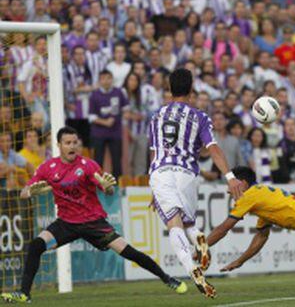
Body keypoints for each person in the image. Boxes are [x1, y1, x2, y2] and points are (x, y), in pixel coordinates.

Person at [0, 127, 187, 304]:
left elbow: (109, 190)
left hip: (93, 223)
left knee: (129, 252)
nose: (72, 146)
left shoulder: (88, 165)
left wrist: (108, 187)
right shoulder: (48, 167)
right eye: (67, 143)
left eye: (75, 142)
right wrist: (31, 191)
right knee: (36, 245)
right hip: (66, 223)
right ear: (59, 145)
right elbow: (24, 192)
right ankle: (24, 293)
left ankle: (167, 278)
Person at [148, 68, 243, 298]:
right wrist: (230, 177)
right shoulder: (199, 116)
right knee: (188, 224)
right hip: (187, 173)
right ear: (191, 89)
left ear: (169, 89)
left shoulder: (156, 116)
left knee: (174, 224)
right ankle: (200, 237)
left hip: (160, 171)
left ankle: (191, 269)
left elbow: (153, 153)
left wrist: (154, 188)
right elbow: (213, 149)